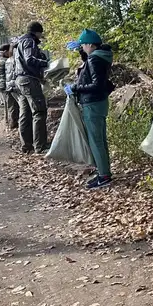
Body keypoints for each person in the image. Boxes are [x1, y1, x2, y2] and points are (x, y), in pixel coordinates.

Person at [65, 29, 115, 189]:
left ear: (91, 45)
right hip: (99, 102)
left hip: (92, 103)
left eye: (83, 45)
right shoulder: (101, 56)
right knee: (100, 139)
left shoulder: (94, 59)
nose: (82, 47)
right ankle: (104, 172)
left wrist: (76, 87)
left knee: (96, 141)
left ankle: (104, 176)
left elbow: (96, 84)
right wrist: (80, 48)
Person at [14, 21, 49, 153]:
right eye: (40, 33)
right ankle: (40, 146)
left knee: (25, 113)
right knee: (39, 112)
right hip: (29, 80)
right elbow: (30, 59)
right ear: (37, 32)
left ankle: (26, 146)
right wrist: (46, 63)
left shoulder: (18, 44)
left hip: (20, 80)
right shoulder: (29, 41)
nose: (40, 37)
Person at [0, 44, 17, 129]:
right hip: (6, 85)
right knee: (11, 106)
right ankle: (11, 124)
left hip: (0, 84)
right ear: (5, 51)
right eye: (9, 51)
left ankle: (7, 122)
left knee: (6, 105)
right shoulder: (6, 61)